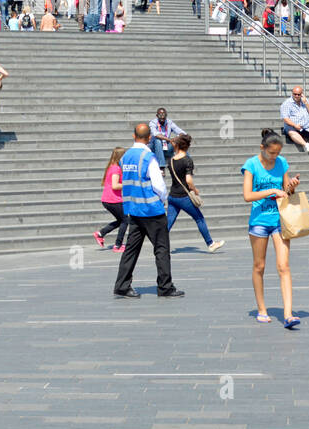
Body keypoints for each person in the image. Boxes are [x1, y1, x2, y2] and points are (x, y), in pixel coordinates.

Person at [112, 123, 183, 299]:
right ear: (149, 137)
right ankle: (165, 287)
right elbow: (158, 185)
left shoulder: (125, 157)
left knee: (131, 250)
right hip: (152, 210)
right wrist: (163, 200)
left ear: (133, 136)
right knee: (161, 249)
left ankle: (122, 285)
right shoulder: (148, 157)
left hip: (134, 210)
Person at [243, 130, 302, 328]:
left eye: (277, 153)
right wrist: (271, 191)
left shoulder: (282, 163)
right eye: (271, 153)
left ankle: (288, 314)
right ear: (262, 148)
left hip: (280, 219)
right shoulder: (251, 165)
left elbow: (286, 191)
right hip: (259, 220)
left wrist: (291, 186)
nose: (274, 157)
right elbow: (247, 195)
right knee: (259, 266)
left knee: (283, 266)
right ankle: (261, 309)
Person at [164, 133, 224, 252]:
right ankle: (211, 244)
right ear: (187, 146)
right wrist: (195, 190)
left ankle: (159, 244)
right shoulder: (187, 160)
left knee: (169, 222)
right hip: (184, 197)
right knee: (199, 219)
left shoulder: (171, 160)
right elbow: (188, 180)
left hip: (172, 196)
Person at [94, 146, 130, 252]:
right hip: (112, 199)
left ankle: (101, 233)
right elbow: (115, 185)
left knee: (121, 220)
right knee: (125, 220)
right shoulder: (116, 168)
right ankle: (118, 245)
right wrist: (127, 184)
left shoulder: (112, 166)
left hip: (108, 199)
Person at [279, 85, 309, 153]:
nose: (296, 96)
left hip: (306, 127)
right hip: (293, 127)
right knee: (290, 130)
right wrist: (295, 125)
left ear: (302, 94)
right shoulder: (287, 104)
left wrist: (306, 103)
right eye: (295, 94)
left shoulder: (304, 101)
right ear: (292, 93)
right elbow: (285, 119)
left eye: (298, 94)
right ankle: (306, 145)